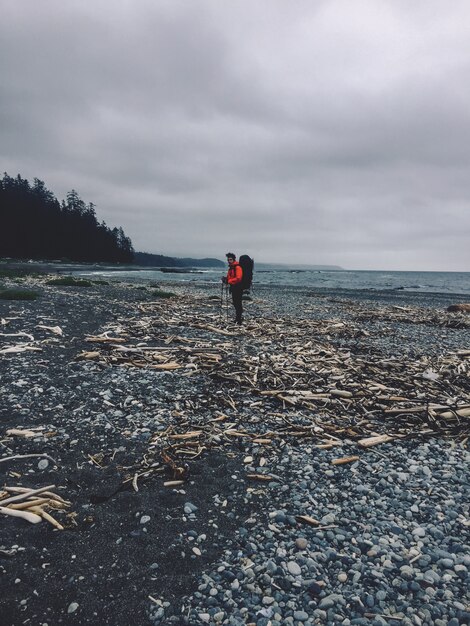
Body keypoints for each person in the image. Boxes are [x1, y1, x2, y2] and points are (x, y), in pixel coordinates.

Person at [222, 252, 243, 324]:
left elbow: (238, 278)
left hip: (238, 287)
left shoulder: (237, 267)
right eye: (228, 260)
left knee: (238, 303)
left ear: (234, 259)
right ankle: (237, 318)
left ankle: (239, 320)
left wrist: (229, 281)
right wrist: (225, 279)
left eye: (230, 259)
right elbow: (229, 277)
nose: (229, 261)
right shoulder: (231, 268)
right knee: (235, 303)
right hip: (233, 287)